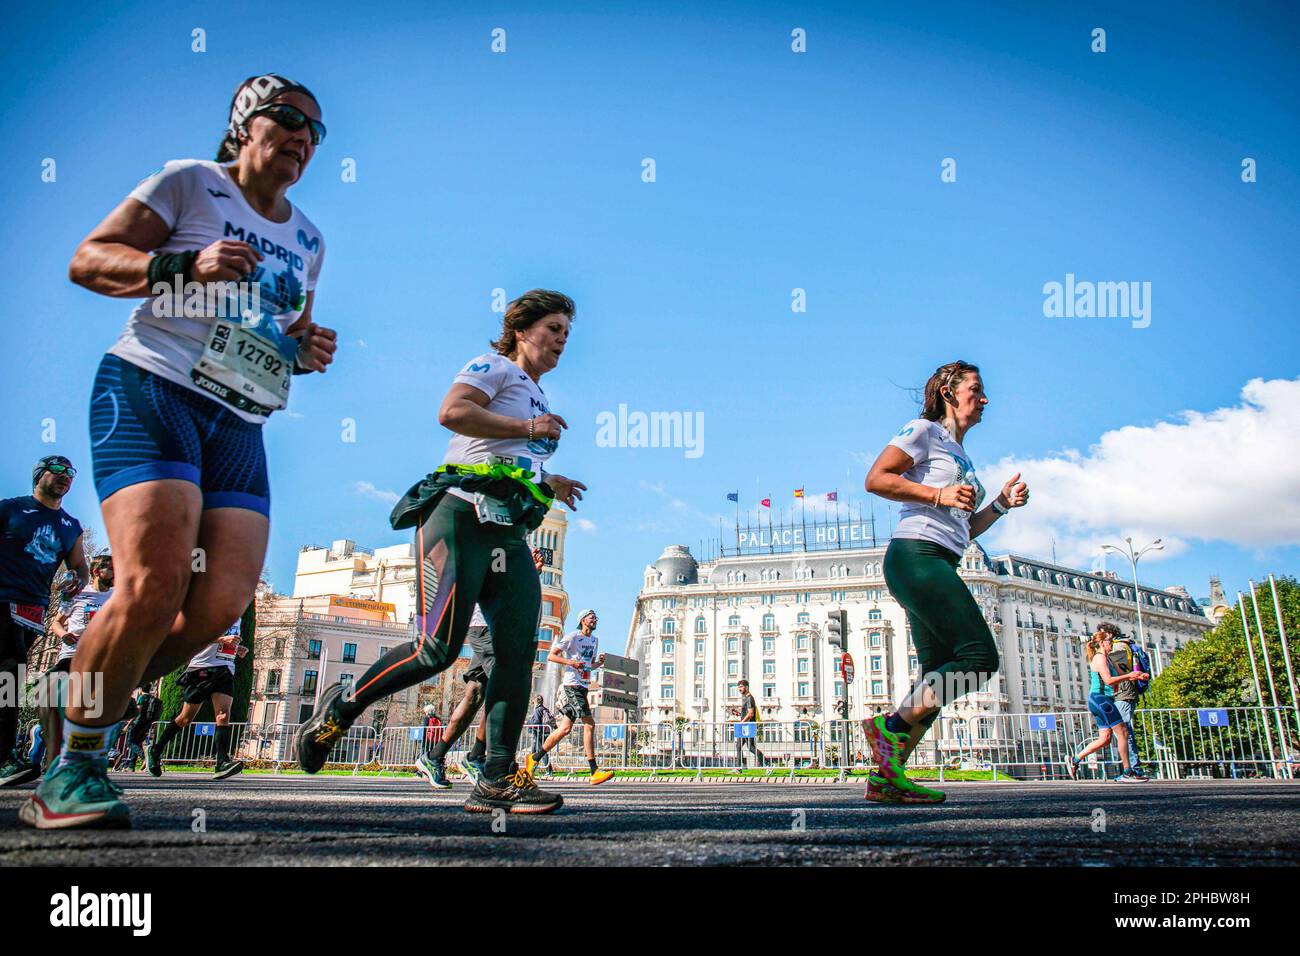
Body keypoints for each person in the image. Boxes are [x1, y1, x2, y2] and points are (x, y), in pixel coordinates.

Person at [22, 74, 335, 831]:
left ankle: (81, 701)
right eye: (287, 118)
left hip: (239, 419)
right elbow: (90, 259)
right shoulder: (191, 182)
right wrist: (178, 266)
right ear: (243, 125)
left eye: (315, 131)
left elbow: (282, 332)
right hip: (153, 387)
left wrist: (306, 349)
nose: (302, 136)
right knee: (154, 580)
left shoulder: (309, 238)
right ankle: (74, 768)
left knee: (217, 607)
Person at [296, 290, 586, 816]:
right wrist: (527, 428)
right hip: (456, 516)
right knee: (438, 650)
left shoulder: (538, 395)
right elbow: (452, 413)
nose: (562, 340)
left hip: (506, 530)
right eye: (553, 328)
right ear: (521, 330)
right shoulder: (492, 365)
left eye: (568, 332)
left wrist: (550, 479)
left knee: (519, 651)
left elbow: (504, 457)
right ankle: (343, 706)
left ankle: (496, 776)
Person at [863, 360, 1030, 804]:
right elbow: (876, 479)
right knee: (978, 658)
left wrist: (1000, 505)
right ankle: (890, 728)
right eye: (976, 388)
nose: (985, 398)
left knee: (935, 677)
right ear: (948, 393)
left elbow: (962, 528)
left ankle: (886, 779)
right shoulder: (922, 431)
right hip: (916, 557)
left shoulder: (960, 454)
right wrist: (937, 494)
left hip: (941, 557)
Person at [418, 552, 547, 790]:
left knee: (476, 694)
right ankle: (500, 770)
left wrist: (532, 571)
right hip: (487, 626)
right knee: (507, 686)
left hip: (492, 624)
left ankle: (437, 756)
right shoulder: (495, 534)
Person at [0, 456, 88, 789]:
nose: (66, 476)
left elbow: (80, 568)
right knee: (9, 675)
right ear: (39, 475)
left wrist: (75, 579)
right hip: (2, 600)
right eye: (58, 470)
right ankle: (5, 758)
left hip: (33, 611)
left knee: (8, 678)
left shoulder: (71, 526)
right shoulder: (10, 509)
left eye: (70, 473)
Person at [146, 621, 249, 780]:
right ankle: (156, 750)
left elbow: (225, 643)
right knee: (185, 718)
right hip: (202, 668)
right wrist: (223, 640)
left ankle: (221, 762)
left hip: (225, 668)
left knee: (223, 715)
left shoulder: (237, 617)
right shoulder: (211, 610)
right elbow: (194, 639)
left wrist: (236, 649)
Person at [40, 553, 115, 765]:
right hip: (71, 654)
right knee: (47, 692)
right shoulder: (78, 594)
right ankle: (52, 747)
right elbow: (56, 623)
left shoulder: (118, 596)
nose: (115, 574)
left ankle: (84, 755)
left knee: (90, 705)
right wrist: (63, 634)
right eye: (110, 569)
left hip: (99, 656)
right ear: (96, 572)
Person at [527, 609, 614, 785]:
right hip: (571, 686)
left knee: (565, 729)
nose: (595, 620)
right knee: (589, 724)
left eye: (596, 618)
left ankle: (534, 759)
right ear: (582, 620)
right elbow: (552, 656)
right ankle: (594, 771)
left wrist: (599, 663)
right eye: (591, 618)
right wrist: (571, 662)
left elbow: (589, 666)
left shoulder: (594, 641)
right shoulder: (572, 637)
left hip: (583, 687)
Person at [1067, 628, 1150, 782]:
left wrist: (1137, 675)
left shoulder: (1108, 658)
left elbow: (1120, 676)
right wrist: (1129, 675)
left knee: (1105, 738)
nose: (1111, 644)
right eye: (1108, 641)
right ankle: (1128, 772)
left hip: (1102, 700)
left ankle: (1075, 759)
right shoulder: (1099, 658)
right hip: (1100, 699)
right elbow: (1109, 680)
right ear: (1100, 643)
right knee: (1123, 732)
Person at [1104, 624, 1150, 781]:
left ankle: (1133, 769)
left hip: (1124, 693)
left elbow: (1116, 669)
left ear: (1110, 634)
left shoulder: (1119, 647)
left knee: (1124, 731)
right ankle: (1132, 768)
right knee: (1124, 730)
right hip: (1123, 693)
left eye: (1103, 635)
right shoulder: (1123, 645)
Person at [731, 679, 764, 767]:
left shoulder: (749, 698)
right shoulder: (746, 698)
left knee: (750, 748)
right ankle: (739, 767)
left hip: (747, 726)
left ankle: (762, 759)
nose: (739, 689)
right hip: (745, 726)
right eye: (738, 687)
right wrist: (739, 714)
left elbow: (750, 714)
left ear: (746, 687)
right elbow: (747, 713)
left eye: (741, 687)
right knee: (739, 746)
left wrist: (741, 722)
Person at [526, 694, 556, 774]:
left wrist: (528, 722)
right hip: (545, 732)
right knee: (534, 751)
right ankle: (531, 770)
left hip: (538, 733)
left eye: (533, 702)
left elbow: (536, 722)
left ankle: (548, 771)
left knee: (541, 751)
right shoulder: (544, 709)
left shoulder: (538, 710)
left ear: (536, 701)